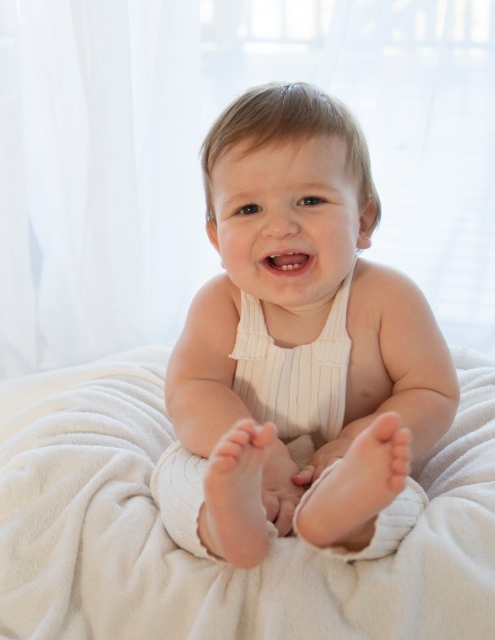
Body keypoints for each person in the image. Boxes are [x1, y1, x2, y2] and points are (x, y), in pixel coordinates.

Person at [151, 81, 460, 569]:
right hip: (242, 461)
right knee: (179, 475)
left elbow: (431, 391)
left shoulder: (388, 299)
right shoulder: (220, 304)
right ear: (215, 236)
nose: (280, 226)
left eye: (310, 201)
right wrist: (255, 450)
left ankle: (343, 516)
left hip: (347, 464)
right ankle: (229, 524)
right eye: (248, 208)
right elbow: (191, 390)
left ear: (364, 220)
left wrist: (354, 444)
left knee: (398, 497)